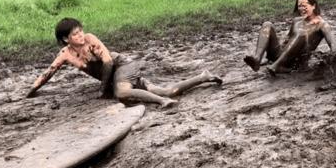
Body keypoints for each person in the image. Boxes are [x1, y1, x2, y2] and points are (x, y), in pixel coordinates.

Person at [26, 18, 222, 107]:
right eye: (75, 34)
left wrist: (103, 90)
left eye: (80, 31)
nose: (80, 35)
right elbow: (47, 74)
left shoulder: (91, 40)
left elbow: (109, 63)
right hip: (114, 76)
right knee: (166, 89)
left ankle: (163, 102)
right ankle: (203, 77)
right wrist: (31, 91)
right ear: (66, 39)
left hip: (123, 66)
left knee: (122, 93)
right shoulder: (65, 54)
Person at [243, 0, 336, 75]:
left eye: (305, 6)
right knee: (267, 24)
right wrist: (270, 57)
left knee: (301, 33)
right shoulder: (297, 20)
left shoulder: (322, 25)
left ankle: (278, 66)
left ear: (314, 6)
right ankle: (257, 59)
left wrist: (327, 61)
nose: (301, 9)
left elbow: (334, 47)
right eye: (299, 6)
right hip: (281, 54)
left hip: (294, 62)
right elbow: (288, 40)